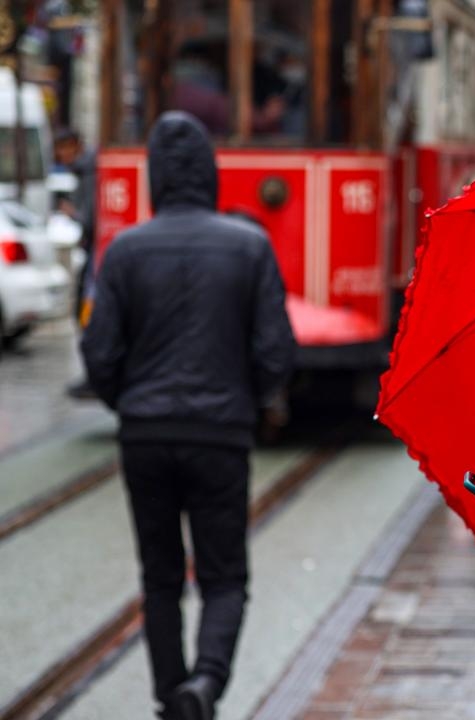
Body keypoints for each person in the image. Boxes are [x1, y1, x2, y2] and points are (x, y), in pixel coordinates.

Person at [80, 111, 295, 720]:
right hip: (220, 435)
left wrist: (128, 402)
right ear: (210, 173)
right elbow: (276, 350)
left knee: (160, 575)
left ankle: (169, 694)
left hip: (144, 435)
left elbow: (98, 353)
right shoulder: (249, 246)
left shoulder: (122, 252)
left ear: (154, 177)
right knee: (224, 573)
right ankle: (205, 683)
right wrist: (246, 403)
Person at [53, 128, 100, 400]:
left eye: (64, 149)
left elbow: (91, 219)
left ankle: (95, 374)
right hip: (94, 248)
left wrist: (73, 213)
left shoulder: (88, 171)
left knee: (87, 307)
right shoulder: (85, 170)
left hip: (96, 250)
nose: (61, 155)